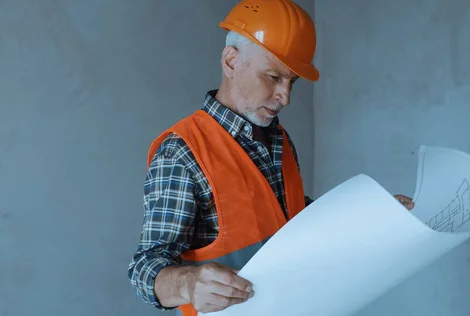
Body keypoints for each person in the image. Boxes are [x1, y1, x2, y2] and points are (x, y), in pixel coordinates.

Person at [127, 0, 415, 315]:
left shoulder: (278, 139)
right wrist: (187, 283)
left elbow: (291, 219)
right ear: (231, 61)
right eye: (273, 77)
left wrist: (362, 213)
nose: (285, 97)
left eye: (292, 82)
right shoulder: (182, 151)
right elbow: (146, 266)